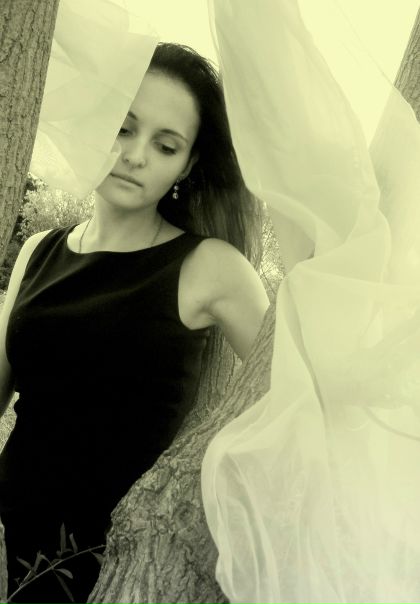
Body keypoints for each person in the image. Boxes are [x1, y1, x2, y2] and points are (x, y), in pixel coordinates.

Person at [0, 42, 270, 603]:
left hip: (120, 567)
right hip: (12, 540)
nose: (136, 155)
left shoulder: (212, 267)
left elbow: (294, 391)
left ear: (187, 165)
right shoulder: (38, 251)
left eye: (165, 145)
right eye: (123, 129)